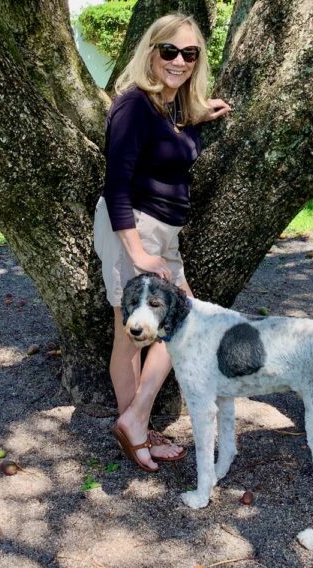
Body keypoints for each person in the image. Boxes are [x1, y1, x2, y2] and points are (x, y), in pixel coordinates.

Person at [93, 13, 231, 472]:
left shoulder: (169, 109)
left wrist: (195, 115)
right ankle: (136, 424)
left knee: (178, 324)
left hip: (164, 233)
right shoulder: (133, 105)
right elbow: (116, 185)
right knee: (133, 336)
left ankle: (135, 419)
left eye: (189, 54)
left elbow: (168, 142)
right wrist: (136, 252)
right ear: (150, 51)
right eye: (169, 51)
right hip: (133, 228)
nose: (179, 61)